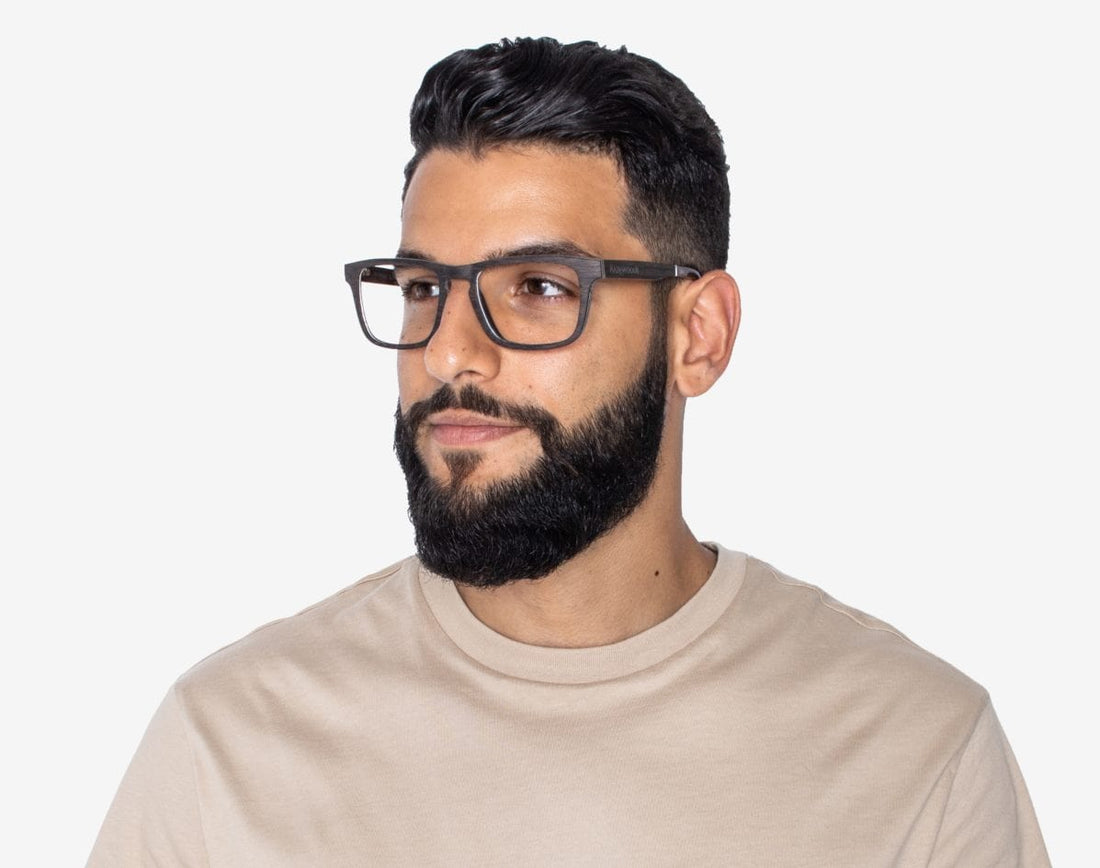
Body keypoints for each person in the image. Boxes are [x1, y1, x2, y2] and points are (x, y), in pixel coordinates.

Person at [88, 37, 1049, 866]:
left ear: (699, 334)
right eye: (424, 288)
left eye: (539, 287)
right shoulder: (228, 748)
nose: (450, 351)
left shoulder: (917, 753)